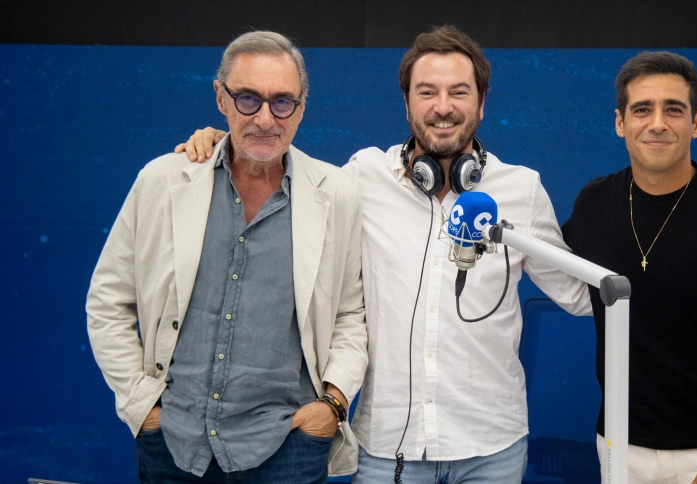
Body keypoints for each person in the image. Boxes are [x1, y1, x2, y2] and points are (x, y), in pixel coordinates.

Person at [178, 25, 591, 483]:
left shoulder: (523, 189)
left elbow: (578, 295)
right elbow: (283, 174)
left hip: (492, 449)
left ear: (482, 101)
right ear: (408, 102)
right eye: (427, 92)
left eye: (459, 92)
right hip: (388, 450)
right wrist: (229, 141)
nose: (443, 107)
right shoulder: (360, 176)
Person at [86, 31, 367, 484]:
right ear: (220, 97)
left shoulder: (336, 195)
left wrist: (332, 405)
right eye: (248, 99)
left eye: (281, 102)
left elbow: (352, 314)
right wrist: (143, 407)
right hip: (173, 443)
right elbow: (107, 303)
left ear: (300, 109)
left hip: (288, 447)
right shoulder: (162, 181)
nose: (264, 118)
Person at [561, 51, 697, 483]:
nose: (658, 123)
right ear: (620, 123)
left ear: (696, 123)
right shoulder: (593, 205)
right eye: (642, 109)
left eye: (674, 110)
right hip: (622, 451)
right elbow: (544, 263)